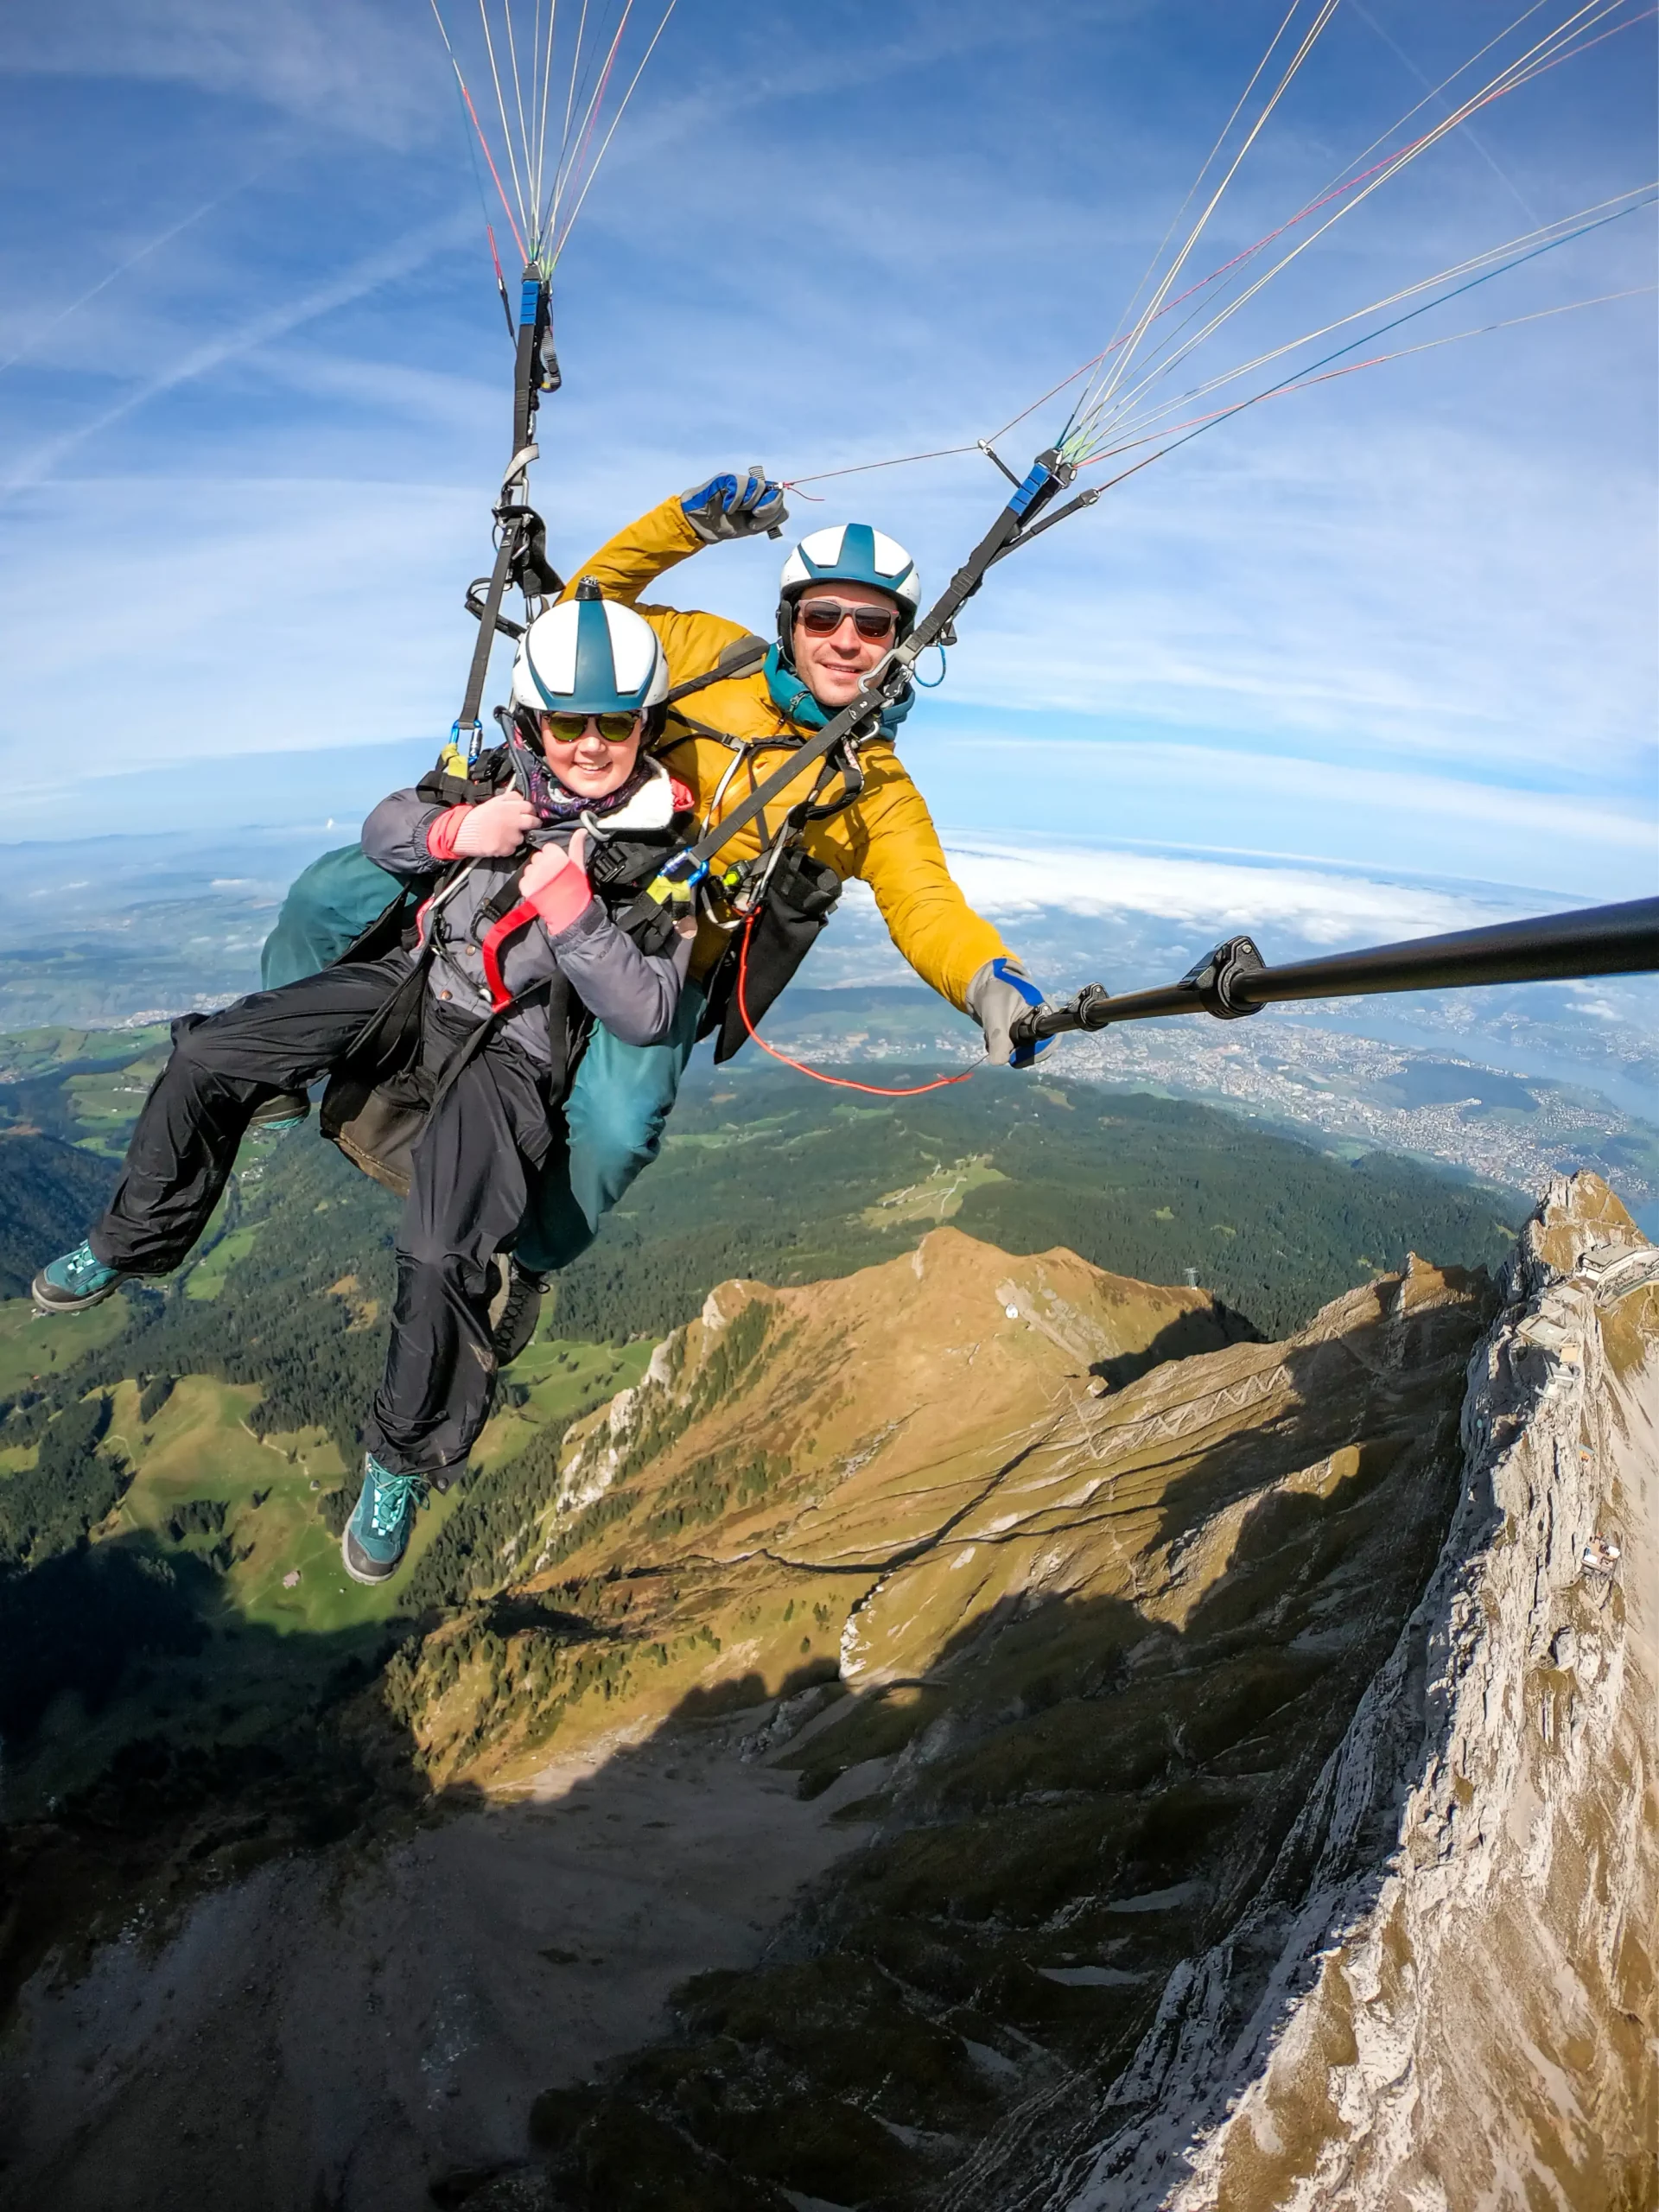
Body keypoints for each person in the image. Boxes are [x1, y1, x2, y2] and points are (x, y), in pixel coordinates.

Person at [253, 467, 1049, 1362]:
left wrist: (989, 981)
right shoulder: (710, 653)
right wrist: (688, 524)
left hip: (657, 951)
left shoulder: (870, 793)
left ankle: (532, 1259)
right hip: (536, 861)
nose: (844, 640)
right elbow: (587, 612)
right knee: (332, 892)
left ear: (901, 643)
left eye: (872, 625)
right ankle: (271, 1065)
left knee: (620, 1128)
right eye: (823, 616)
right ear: (789, 619)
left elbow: (927, 902)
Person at [31, 591, 696, 1585]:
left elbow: (647, 1008)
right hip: (410, 992)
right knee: (210, 1053)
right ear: (533, 722)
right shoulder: (493, 779)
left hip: (509, 1054)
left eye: (617, 723)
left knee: (440, 1254)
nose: (593, 745)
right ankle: (132, 1241)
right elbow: (387, 826)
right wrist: (460, 830)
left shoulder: (664, 851)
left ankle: (400, 1454)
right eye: (570, 721)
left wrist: (574, 912)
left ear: (646, 725)